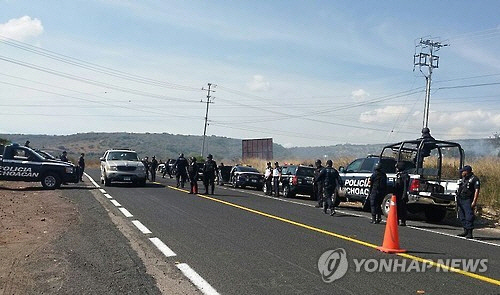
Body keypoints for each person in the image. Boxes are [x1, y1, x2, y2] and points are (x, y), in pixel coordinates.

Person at [456, 165, 480, 239]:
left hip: (468, 199)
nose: (462, 173)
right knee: (461, 215)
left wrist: (474, 201)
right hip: (461, 199)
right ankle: (465, 230)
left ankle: (469, 232)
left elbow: (477, 190)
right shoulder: (463, 179)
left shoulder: (474, 179)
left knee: (468, 216)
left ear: (466, 172)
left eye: (463, 171)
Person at [394, 162, 410, 226]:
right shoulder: (399, 175)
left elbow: (405, 186)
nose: (396, 169)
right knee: (397, 208)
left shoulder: (405, 175)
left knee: (402, 208)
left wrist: (404, 195)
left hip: (402, 194)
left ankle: (403, 221)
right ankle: (397, 220)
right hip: (398, 194)